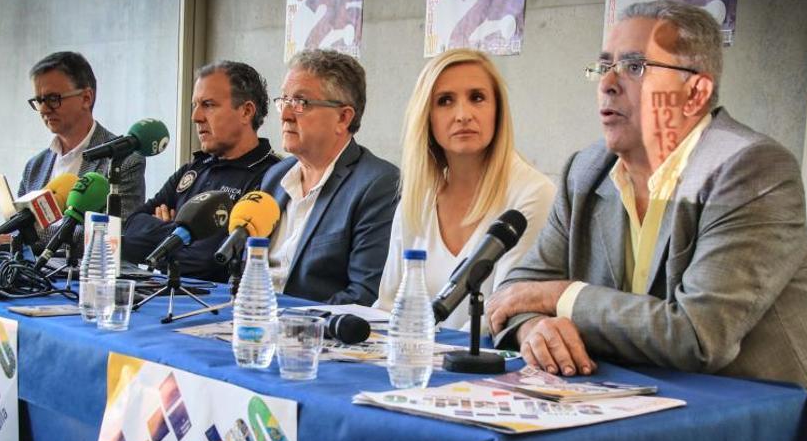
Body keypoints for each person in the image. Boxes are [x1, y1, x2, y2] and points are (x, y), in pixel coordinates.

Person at [485, 0, 807, 441]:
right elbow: (518, 289)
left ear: (695, 92)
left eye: (635, 66)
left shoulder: (751, 170)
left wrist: (562, 297)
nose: (607, 82)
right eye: (604, 65)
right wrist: (534, 329)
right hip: (652, 425)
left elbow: (697, 336)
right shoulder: (587, 171)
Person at [374, 49, 555, 331]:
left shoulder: (534, 194)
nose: (463, 115)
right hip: (417, 361)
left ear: (498, 111)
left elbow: (500, 318)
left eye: (477, 98)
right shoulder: (418, 197)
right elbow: (389, 305)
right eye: (445, 101)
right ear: (427, 117)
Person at [260, 49, 399, 305]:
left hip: (315, 335)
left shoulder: (378, 184)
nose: (285, 114)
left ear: (343, 118)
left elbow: (364, 295)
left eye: (301, 102)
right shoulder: (275, 176)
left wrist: (289, 322)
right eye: (284, 100)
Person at [122, 61, 279, 282]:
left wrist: (166, 231)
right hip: (166, 297)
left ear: (246, 111)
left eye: (208, 105)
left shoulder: (270, 174)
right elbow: (129, 234)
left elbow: (209, 261)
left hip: (215, 309)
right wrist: (181, 232)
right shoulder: (194, 168)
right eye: (195, 105)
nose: (196, 117)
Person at [0, 51, 146, 250]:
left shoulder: (124, 160)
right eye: (39, 100)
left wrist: (30, 233)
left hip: (86, 277)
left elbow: (116, 234)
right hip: (31, 275)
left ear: (86, 98)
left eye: (53, 99)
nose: (43, 109)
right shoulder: (35, 166)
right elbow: (18, 227)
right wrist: (2, 235)